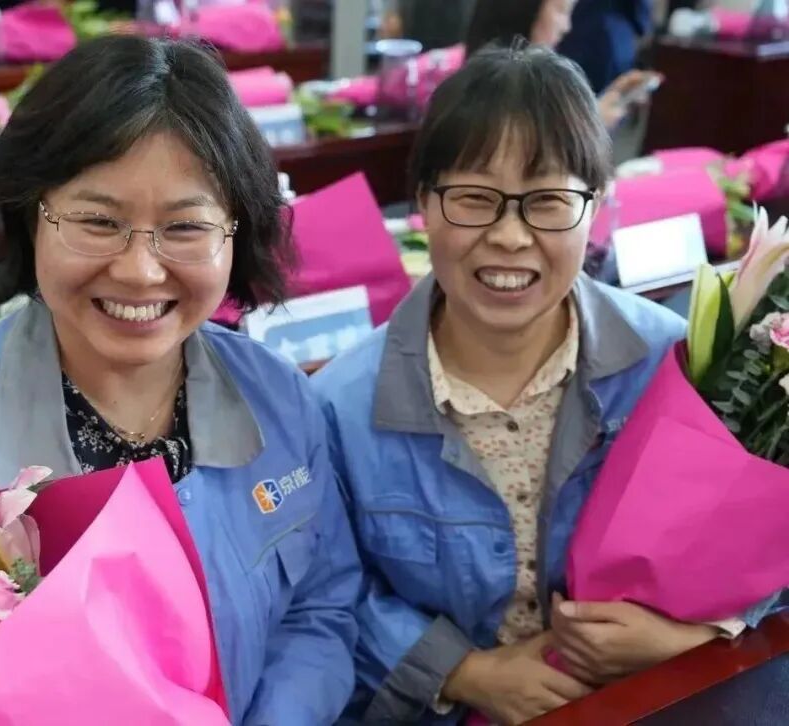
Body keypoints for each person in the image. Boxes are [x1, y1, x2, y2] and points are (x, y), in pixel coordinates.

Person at [0, 34, 361, 725]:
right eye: (98, 222)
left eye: (186, 227)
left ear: (236, 232)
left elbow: (320, 609)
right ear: (31, 217)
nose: (140, 271)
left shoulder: (282, 400)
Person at [312, 45, 772, 726]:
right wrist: (466, 672)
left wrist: (688, 641)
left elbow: (760, 547)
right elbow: (324, 589)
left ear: (596, 206)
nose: (509, 236)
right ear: (424, 206)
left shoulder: (678, 365)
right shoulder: (338, 405)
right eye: (474, 199)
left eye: (548, 202)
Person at [465, 0, 662, 129]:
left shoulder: (526, 84)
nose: (567, 27)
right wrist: (592, 126)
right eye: (561, 11)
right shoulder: (496, 100)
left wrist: (606, 102)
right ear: (523, 10)